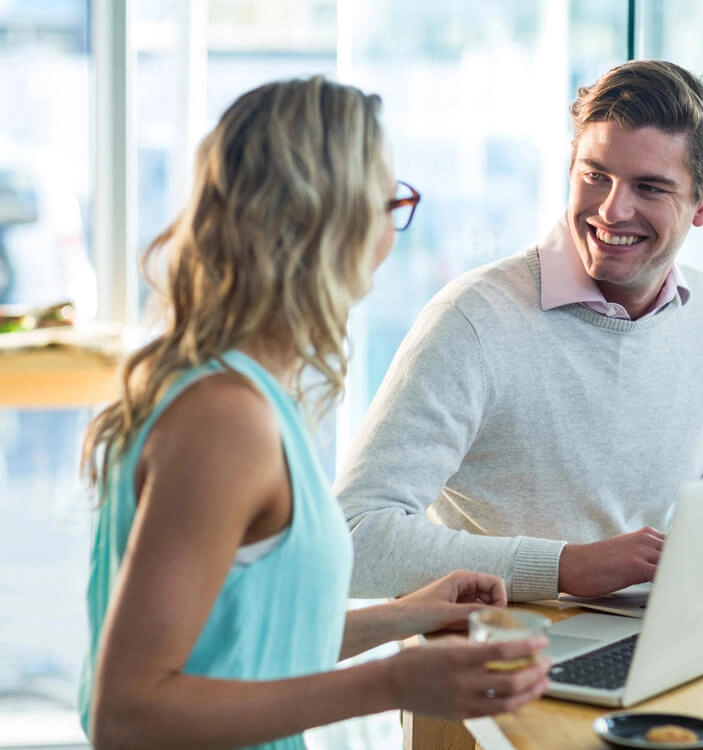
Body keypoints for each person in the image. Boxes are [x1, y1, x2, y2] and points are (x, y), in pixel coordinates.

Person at [77, 76, 550, 750]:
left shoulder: (224, 386)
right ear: (324, 219)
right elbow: (128, 715)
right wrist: (393, 683)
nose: (392, 232)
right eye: (388, 202)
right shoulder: (226, 420)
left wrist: (405, 616)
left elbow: (249, 643)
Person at [335, 59, 703, 604]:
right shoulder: (474, 320)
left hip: (651, 642)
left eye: (649, 187)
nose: (612, 209)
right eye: (595, 175)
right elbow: (353, 537)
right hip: (495, 663)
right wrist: (561, 567)